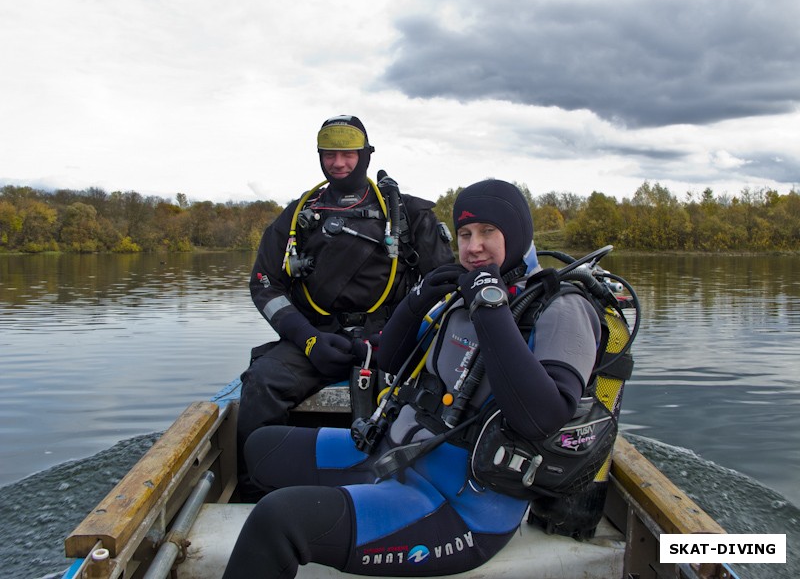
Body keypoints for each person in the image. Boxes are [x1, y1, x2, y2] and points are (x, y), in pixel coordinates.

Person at [223, 179, 604, 578]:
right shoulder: (459, 298)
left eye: (489, 232)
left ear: (518, 233)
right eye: (465, 234)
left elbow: (543, 417)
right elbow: (389, 361)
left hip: (462, 507)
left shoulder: (561, 309)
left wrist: (490, 307)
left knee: (277, 520)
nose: (474, 246)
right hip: (395, 454)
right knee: (261, 448)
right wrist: (418, 298)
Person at [238, 115, 454, 459]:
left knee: (440, 390)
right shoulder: (297, 216)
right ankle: (256, 489)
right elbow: (265, 285)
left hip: (391, 341)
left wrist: (404, 331)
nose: (338, 164)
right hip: (316, 339)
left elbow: (445, 288)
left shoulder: (409, 214)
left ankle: (412, 482)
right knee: (261, 383)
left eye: (348, 154)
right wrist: (307, 339)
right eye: (329, 155)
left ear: (366, 155)